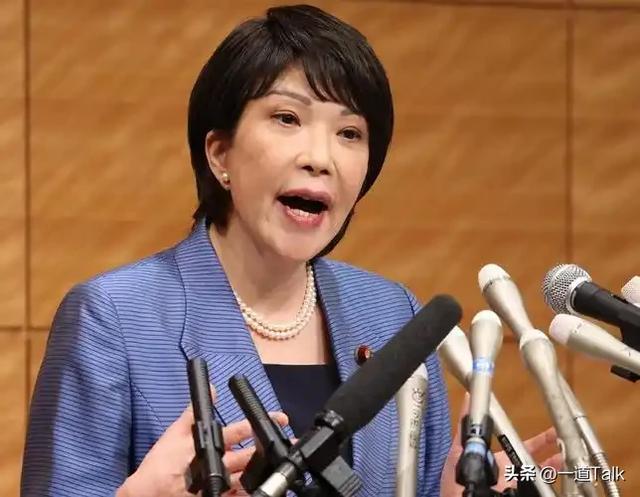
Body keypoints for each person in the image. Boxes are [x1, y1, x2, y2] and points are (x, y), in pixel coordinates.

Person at [21, 5, 559, 497]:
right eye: (287, 118)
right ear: (220, 153)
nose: (320, 157)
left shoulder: (393, 315)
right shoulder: (115, 317)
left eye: (349, 132)